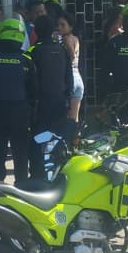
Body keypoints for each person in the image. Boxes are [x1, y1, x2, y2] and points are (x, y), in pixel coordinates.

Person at [0, 21, 36, 182]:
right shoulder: (27, 60)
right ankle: (22, 193)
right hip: (21, 116)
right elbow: (34, 92)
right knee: (21, 158)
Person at [27, 15, 73, 175]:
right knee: (57, 138)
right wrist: (67, 99)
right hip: (60, 102)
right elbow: (69, 77)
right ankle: (56, 172)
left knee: (38, 138)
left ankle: (37, 172)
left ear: (36, 31)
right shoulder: (61, 50)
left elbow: (30, 80)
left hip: (41, 104)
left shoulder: (33, 51)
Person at [57, 14, 85, 122]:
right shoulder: (76, 38)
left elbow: (72, 55)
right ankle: (76, 138)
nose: (59, 27)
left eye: (63, 25)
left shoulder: (65, 39)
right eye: (58, 25)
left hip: (70, 80)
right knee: (74, 119)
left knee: (65, 119)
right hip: (78, 79)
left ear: (71, 27)